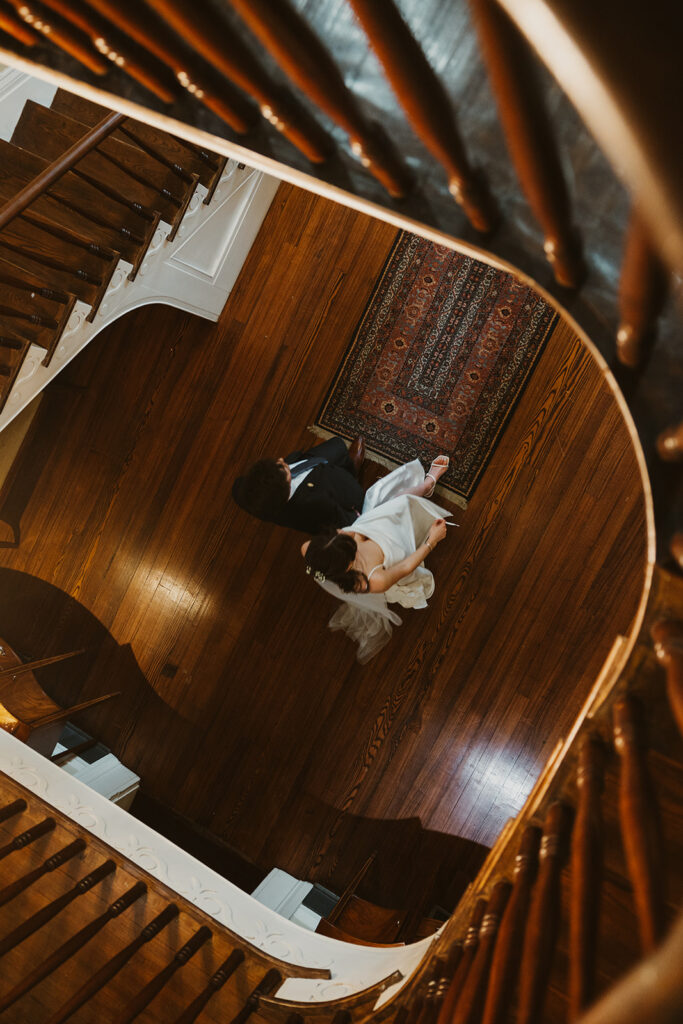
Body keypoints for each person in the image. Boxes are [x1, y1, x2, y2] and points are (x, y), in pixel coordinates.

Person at [301, 456, 453, 662]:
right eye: (347, 540)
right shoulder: (376, 580)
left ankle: (426, 485)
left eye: (338, 533)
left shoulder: (309, 549)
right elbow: (407, 566)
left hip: (375, 524)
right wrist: (431, 541)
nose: (345, 532)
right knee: (412, 525)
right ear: (348, 561)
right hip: (396, 547)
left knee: (400, 500)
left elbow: (349, 533)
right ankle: (420, 514)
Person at [232, 436, 365, 534]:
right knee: (346, 478)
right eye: (281, 466)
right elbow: (346, 521)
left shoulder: (244, 490)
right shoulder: (317, 502)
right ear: (287, 484)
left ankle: (345, 463)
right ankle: (351, 469)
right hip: (335, 486)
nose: (280, 459)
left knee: (336, 446)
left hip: (308, 464)